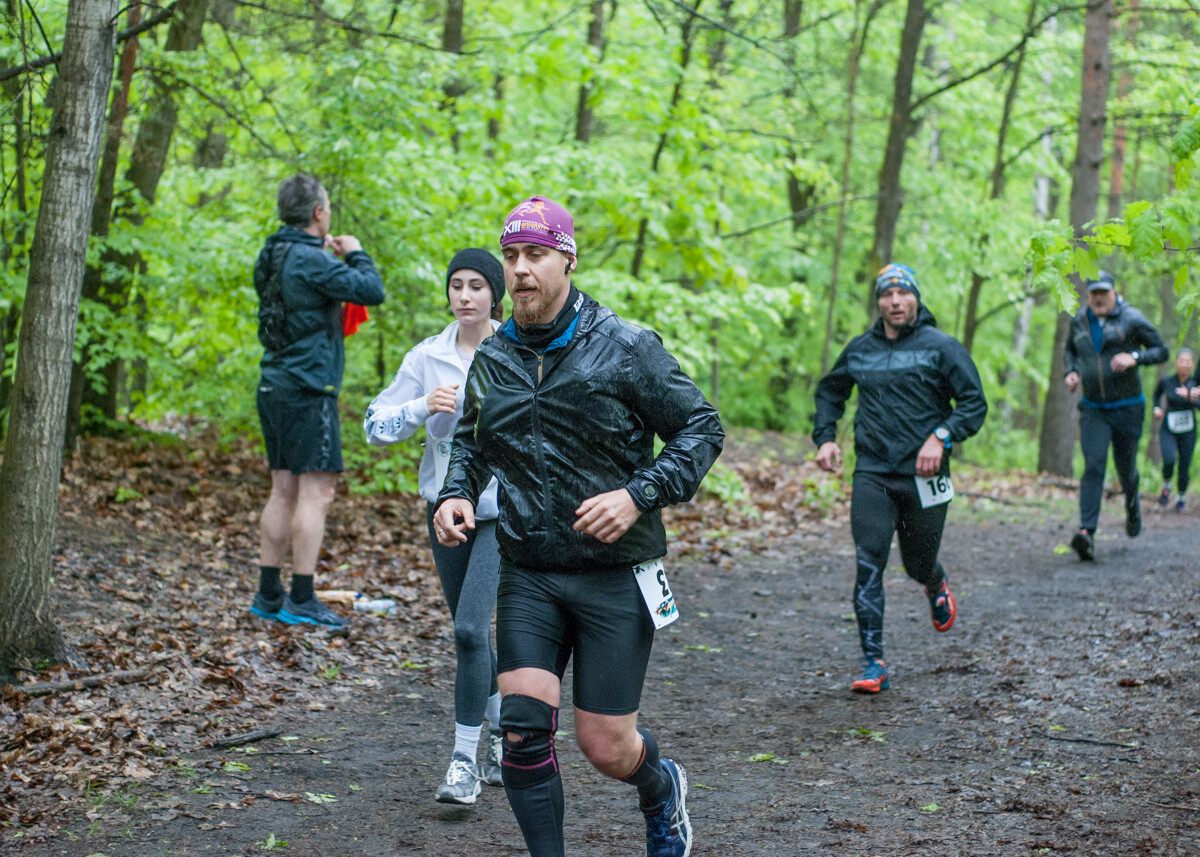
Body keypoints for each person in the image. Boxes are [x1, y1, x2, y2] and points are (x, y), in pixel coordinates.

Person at [433, 196, 723, 857]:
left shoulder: (625, 347)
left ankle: (661, 788)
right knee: (521, 731)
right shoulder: (494, 358)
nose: (520, 269)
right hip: (530, 569)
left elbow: (701, 428)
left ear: (567, 260)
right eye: (511, 255)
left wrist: (639, 494)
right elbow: (472, 442)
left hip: (614, 573)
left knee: (605, 745)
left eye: (535, 254)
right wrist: (455, 495)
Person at [363, 249, 506, 804]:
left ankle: (463, 762)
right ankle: (501, 739)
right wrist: (422, 406)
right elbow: (375, 425)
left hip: (501, 512)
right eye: (456, 285)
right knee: (474, 637)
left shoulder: (517, 349)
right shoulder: (428, 356)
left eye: (476, 286)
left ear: (495, 294)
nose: (464, 296)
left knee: (469, 631)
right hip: (445, 512)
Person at [813, 264, 987, 694]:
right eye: (886, 294)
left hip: (925, 474)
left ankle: (934, 581)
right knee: (868, 562)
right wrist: (826, 438)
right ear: (878, 302)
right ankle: (873, 662)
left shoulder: (942, 347)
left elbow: (974, 403)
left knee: (917, 563)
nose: (895, 301)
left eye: (903, 293)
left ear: (915, 299)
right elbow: (830, 391)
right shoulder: (860, 349)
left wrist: (942, 437)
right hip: (873, 471)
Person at [249, 174, 385, 626]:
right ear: (318, 213)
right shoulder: (310, 259)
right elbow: (371, 290)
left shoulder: (271, 254)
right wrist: (356, 252)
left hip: (273, 384)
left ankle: (269, 594)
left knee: (282, 488)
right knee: (317, 493)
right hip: (308, 388)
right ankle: (302, 599)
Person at [1063, 270, 1167, 561]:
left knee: (1125, 469)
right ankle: (1086, 533)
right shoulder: (1079, 321)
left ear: (1114, 292)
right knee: (1093, 465)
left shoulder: (1131, 318)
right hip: (1093, 408)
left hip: (1128, 407)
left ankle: (1132, 505)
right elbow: (1070, 352)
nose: (1098, 298)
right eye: (1093, 293)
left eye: (1103, 293)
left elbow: (1161, 351)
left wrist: (1135, 357)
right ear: (1088, 296)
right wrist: (1071, 372)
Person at [1152, 348, 1198, 513]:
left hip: (1188, 430)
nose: (1184, 364)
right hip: (1169, 428)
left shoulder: (1195, 384)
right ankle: (1166, 486)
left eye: (1187, 361)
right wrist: (1157, 408)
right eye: (1181, 360)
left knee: (1184, 464)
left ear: (1192, 364)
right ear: (1176, 362)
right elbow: (1156, 395)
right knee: (1169, 459)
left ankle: (1181, 497)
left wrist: (1190, 396)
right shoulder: (1167, 381)